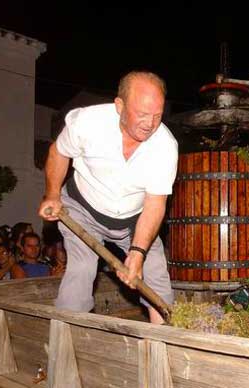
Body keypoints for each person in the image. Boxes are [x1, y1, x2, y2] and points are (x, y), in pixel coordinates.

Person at [38, 71, 178, 324]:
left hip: (135, 219)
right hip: (82, 209)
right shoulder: (87, 123)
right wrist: (52, 194)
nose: (150, 123)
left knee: (156, 273)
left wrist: (137, 253)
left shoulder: (165, 147)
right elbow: (59, 152)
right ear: (120, 106)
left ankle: (165, 345)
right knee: (81, 269)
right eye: (142, 114)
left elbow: (155, 204)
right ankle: (67, 338)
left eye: (157, 116)